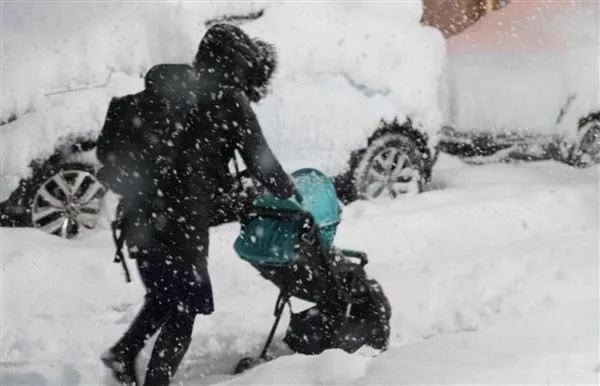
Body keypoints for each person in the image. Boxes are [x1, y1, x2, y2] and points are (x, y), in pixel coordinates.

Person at [101, 23, 299, 386]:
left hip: (139, 219)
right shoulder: (228, 102)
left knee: (164, 295)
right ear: (234, 64)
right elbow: (262, 162)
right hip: (182, 222)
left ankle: (123, 354)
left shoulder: (164, 90)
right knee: (184, 311)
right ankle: (156, 381)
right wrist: (292, 192)